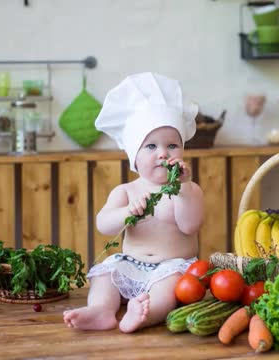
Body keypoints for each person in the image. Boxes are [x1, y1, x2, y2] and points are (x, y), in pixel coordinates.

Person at [63, 72, 204, 333]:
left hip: (171, 266)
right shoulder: (126, 191)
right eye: (151, 147)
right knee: (105, 275)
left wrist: (183, 188)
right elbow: (103, 223)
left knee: (169, 288)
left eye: (172, 145)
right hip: (131, 264)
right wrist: (126, 212)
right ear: (134, 157)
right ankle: (101, 311)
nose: (163, 152)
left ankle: (146, 314)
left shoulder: (188, 189)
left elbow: (190, 225)